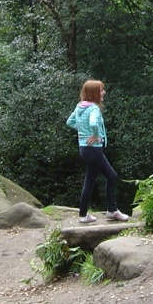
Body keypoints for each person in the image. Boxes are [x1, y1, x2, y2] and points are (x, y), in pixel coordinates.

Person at [66, 80, 130, 224]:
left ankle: (108, 211)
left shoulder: (79, 106)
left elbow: (69, 122)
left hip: (84, 148)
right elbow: (94, 123)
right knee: (94, 180)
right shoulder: (93, 108)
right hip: (94, 149)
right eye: (101, 90)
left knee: (110, 176)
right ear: (94, 93)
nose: (104, 92)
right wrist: (94, 134)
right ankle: (97, 213)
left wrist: (83, 131)